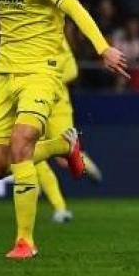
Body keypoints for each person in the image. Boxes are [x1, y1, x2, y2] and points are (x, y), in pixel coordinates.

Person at [0, 0, 128, 259]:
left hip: (43, 74)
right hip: (5, 77)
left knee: (21, 143)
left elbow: (76, 9)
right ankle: (63, 145)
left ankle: (25, 241)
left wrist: (103, 48)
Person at [37, 36, 104, 224]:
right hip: (34, 103)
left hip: (58, 106)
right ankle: (60, 208)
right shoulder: (23, 33)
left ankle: (84, 162)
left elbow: (72, 70)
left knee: (64, 157)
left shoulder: (56, 37)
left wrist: (48, 79)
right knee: (33, 156)